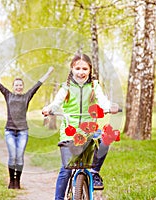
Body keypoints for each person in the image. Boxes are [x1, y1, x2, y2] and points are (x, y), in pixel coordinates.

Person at [42, 54, 118, 200]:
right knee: (65, 170)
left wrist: (109, 107)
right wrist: (49, 108)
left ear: (90, 70)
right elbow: (56, 102)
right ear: (72, 69)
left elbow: (102, 101)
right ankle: (58, 198)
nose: (81, 72)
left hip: (89, 129)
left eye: (84, 68)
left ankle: (95, 172)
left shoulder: (94, 86)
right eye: (77, 68)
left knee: (106, 138)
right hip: (69, 131)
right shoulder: (66, 87)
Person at [0, 66, 54, 189]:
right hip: (9, 131)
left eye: (20, 85)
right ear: (13, 87)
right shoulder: (7, 95)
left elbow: (38, 84)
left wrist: (48, 72)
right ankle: (11, 181)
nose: (19, 87)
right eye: (16, 85)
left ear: (23, 87)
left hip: (22, 131)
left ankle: (17, 181)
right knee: (12, 156)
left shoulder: (27, 96)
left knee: (19, 156)